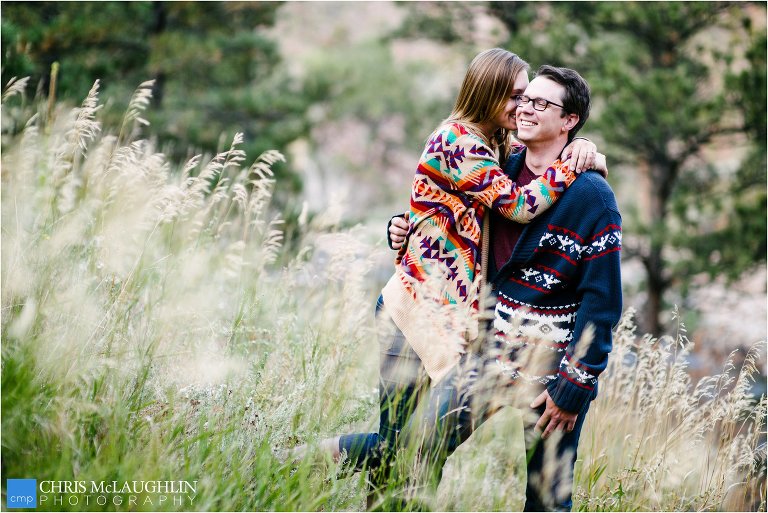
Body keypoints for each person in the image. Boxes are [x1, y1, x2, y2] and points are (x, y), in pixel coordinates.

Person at [291, 48, 603, 508]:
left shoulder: (498, 144)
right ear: (490, 93)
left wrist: (584, 147)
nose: (523, 107)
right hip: (412, 314)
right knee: (402, 448)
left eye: (531, 99)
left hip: (449, 318)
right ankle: (300, 460)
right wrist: (571, 164)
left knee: (418, 454)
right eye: (516, 96)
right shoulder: (459, 141)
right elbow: (518, 204)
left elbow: (536, 154)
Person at [387, 65, 622, 511]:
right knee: (417, 451)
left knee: (546, 496)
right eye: (524, 99)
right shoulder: (500, 167)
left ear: (569, 120)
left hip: (550, 369)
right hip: (488, 354)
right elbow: (441, 214)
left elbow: (603, 304)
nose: (525, 109)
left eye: (540, 103)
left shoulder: (593, 197)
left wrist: (573, 388)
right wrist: (400, 227)